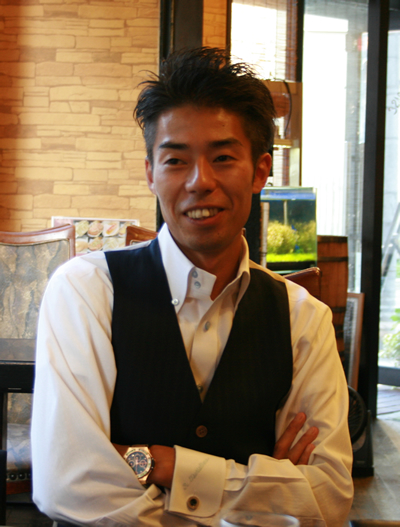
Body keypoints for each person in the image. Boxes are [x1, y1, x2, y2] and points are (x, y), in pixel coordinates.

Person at [31, 47, 353, 526]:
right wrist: (263, 490)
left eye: (223, 157)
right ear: (150, 173)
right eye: (176, 161)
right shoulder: (87, 292)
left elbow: (327, 498)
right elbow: (67, 481)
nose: (200, 181)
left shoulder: (302, 317)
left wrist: (161, 463)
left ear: (260, 171)